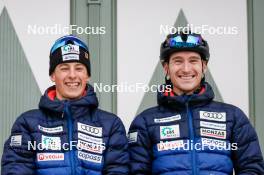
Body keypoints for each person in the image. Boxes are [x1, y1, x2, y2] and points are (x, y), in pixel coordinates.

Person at [128, 31, 264, 175]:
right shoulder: (144, 121)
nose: (186, 69)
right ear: (166, 68)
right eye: (178, 61)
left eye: (193, 60)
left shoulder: (233, 116)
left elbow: (252, 168)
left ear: (204, 66)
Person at [1, 35, 129, 175]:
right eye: (64, 68)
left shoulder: (111, 125)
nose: (72, 75)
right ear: (52, 75)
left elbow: (118, 170)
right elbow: (15, 170)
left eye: (79, 68)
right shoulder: (27, 123)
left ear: (88, 75)